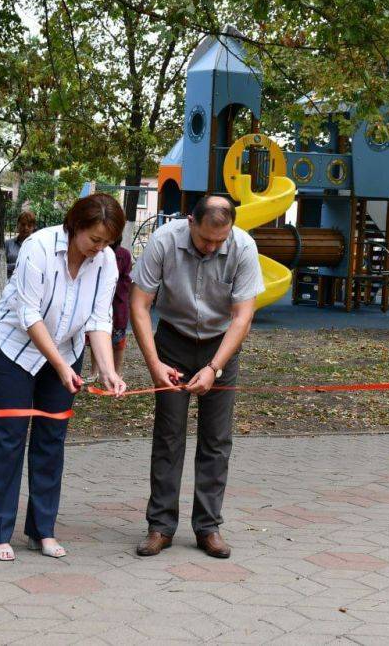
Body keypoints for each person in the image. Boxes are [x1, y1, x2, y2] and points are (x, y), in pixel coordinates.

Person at [0, 193, 127, 562]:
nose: (100, 249)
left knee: (52, 439)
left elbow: (98, 319)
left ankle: (42, 530)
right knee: (11, 436)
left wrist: (108, 370)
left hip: (65, 348)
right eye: (95, 239)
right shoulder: (39, 248)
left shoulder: (106, 261)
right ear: (76, 226)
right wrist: (61, 368)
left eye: (107, 242)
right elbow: (29, 314)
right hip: (14, 347)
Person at [130, 196, 263, 559]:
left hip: (221, 345)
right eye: (206, 239)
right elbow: (139, 304)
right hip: (172, 340)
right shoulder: (163, 241)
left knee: (217, 440)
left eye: (220, 240)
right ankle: (160, 525)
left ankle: (208, 527)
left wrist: (215, 368)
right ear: (191, 222)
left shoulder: (244, 247)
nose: (212, 247)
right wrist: (154, 364)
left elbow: (242, 318)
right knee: (169, 435)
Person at [86, 238, 132, 381]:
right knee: (96, 336)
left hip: (118, 304)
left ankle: (116, 372)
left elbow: (126, 280)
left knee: (118, 342)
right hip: (96, 301)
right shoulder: (94, 253)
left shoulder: (124, 254)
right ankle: (95, 371)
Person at [4, 210, 37, 279]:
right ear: (17, 225)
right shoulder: (8, 244)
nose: (26, 228)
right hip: (9, 284)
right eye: (23, 224)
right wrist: (18, 266)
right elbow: (0, 266)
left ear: (33, 227)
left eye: (29, 225)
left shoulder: (37, 246)